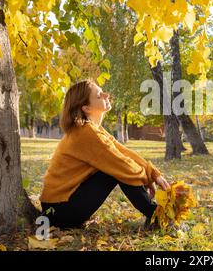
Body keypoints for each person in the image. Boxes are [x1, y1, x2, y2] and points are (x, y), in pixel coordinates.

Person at [39, 79, 170, 229]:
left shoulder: (91, 129)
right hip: (60, 211)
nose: (107, 95)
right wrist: (148, 177)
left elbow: (122, 151)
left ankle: (155, 215)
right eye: (100, 95)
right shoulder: (86, 132)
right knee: (117, 169)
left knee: (118, 166)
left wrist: (153, 173)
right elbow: (122, 163)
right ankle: (157, 216)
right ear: (86, 107)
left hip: (58, 207)